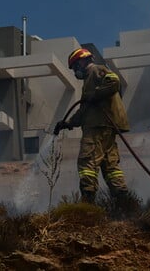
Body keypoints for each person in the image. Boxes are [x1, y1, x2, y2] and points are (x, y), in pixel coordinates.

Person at [54, 47, 130, 204]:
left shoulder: (95, 70)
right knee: (110, 166)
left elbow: (114, 81)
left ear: (82, 61)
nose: (76, 71)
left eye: (75, 66)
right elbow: (85, 110)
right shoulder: (89, 80)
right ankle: (124, 202)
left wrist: (95, 94)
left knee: (86, 162)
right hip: (106, 128)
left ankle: (88, 202)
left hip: (97, 127)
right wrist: (67, 123)